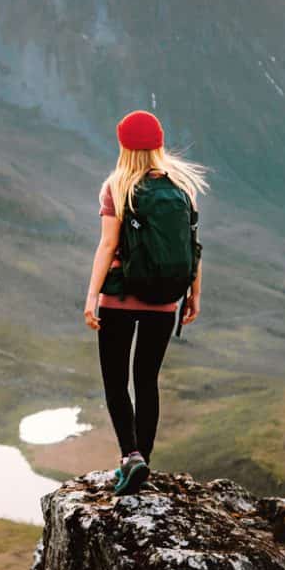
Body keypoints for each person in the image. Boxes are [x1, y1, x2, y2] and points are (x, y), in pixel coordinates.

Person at [82, 109, 207, 495]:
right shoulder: (181, 188)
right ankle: (144, 464)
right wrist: (193, 294)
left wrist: (91, 296)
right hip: (165, 302)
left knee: (116, 382)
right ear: (158, 143)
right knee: (146, 381)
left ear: (123, 145)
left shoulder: (116, 187)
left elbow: (107, 245)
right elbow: (192, 246)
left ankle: (130, 457)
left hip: (119, 298)